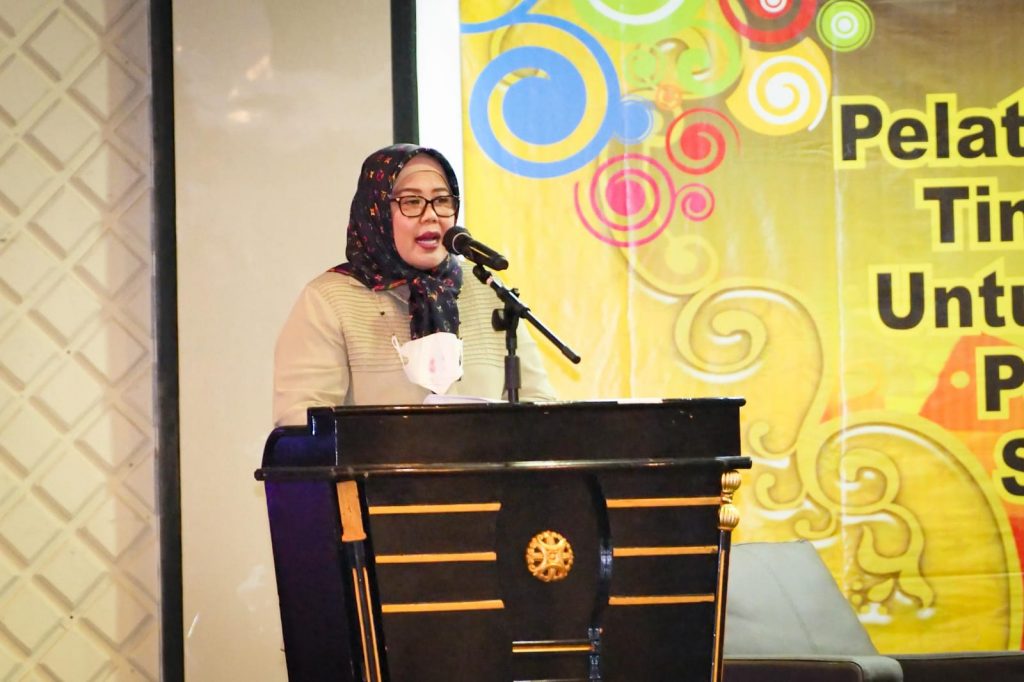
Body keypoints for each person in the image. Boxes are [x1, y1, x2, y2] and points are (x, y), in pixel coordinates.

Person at [273, 143, 556, 426]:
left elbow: (540, 407)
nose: (430, 214)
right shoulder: (329, 300)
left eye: (441, 200)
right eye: (411, 202)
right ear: (376, 211)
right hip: (376, 458)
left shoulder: (486, 289)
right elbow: (301, 420)